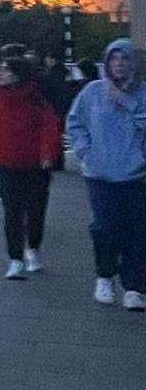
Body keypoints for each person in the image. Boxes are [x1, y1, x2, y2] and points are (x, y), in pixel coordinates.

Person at [0, 53, 63, 276]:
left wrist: (47, 153)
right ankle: (15, 258)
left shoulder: (36, 98)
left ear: (17, 75)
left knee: (35, 210)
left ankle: (33, 247)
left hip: (36, 165)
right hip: (5, 164)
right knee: (12, 211)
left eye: (6, 70)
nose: (1, 73)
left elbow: (50, 126)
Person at [65, 39, 146, 310]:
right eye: (115, 59)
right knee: (106, 228)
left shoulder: (143, 94)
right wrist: (86, 153)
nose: (120, 64)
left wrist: (128, 103)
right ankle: (105, 275)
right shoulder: (92, 92)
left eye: (125, 59)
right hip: (100, 174)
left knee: (137, 231)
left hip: (137, 175)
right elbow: (75, 123)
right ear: (107, 62)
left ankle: (135, 286)